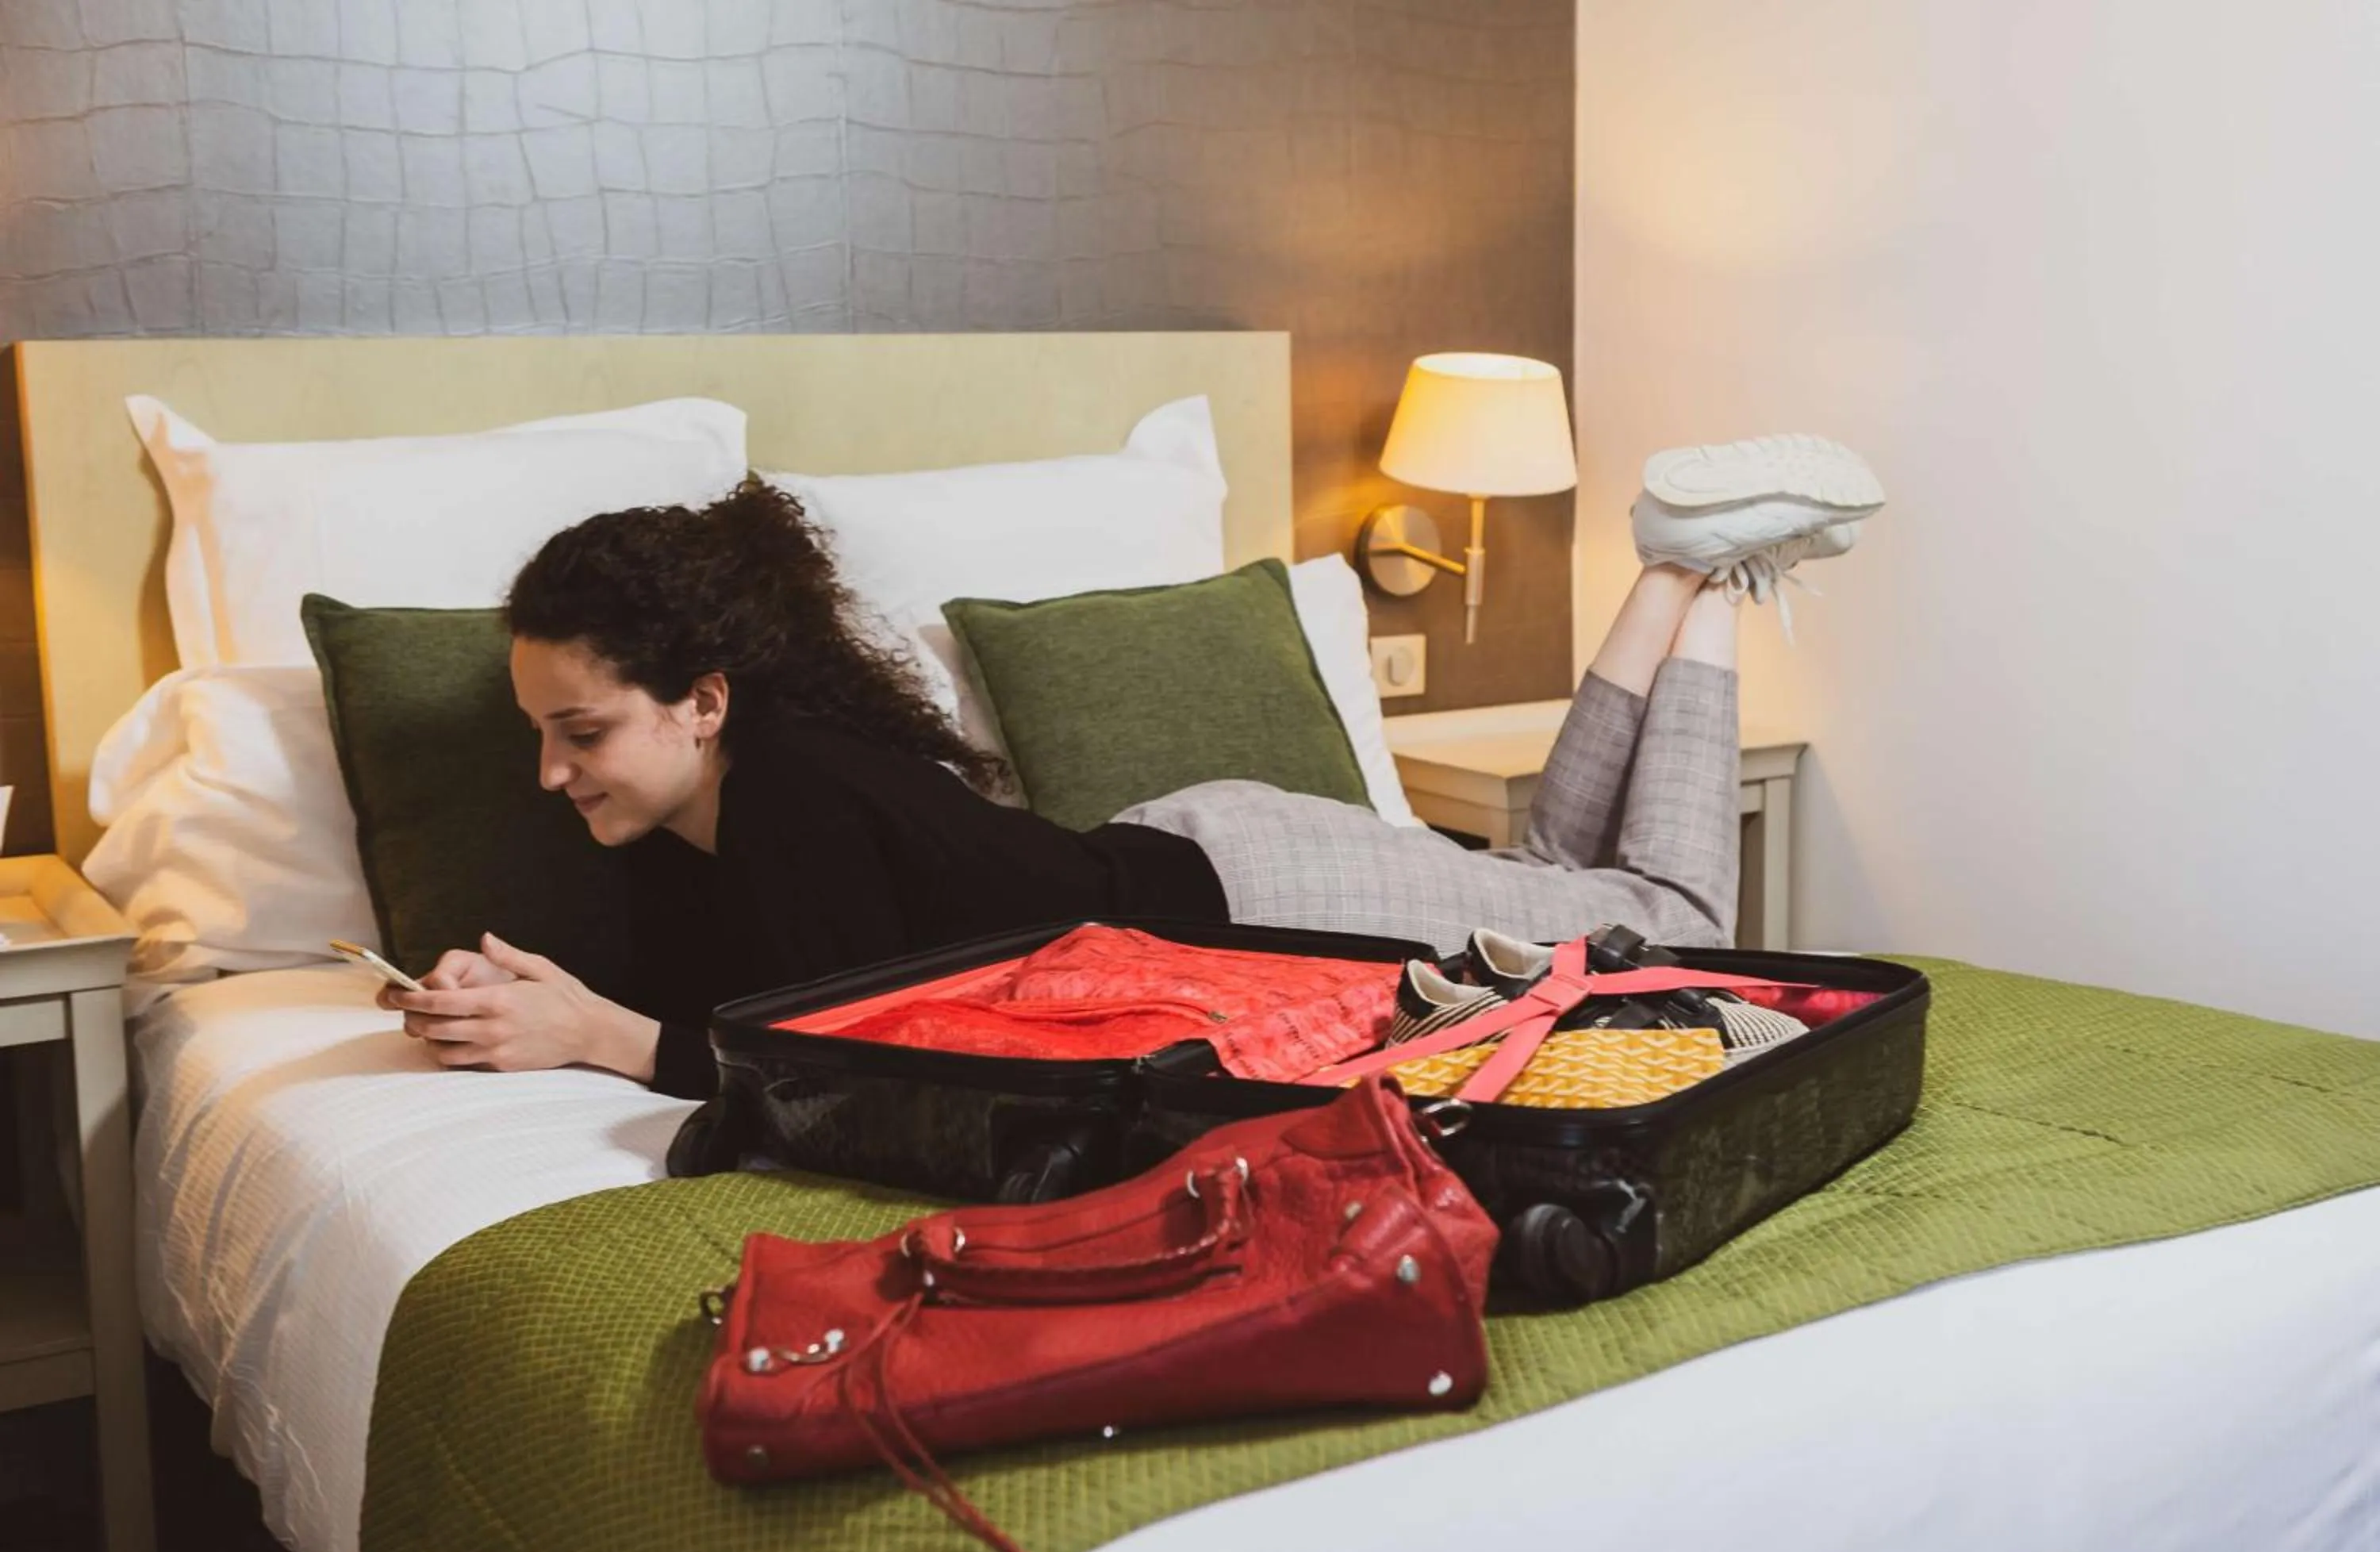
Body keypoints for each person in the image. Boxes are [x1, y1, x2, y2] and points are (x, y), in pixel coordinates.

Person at [382, 438, 1880, 1100]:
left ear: (701, 700)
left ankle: (1702, 576)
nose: (550, 775)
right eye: (541, 736)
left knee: (1674, 921)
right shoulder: (697, 818)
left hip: (1257, 898)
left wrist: (602, 1039)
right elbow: (743, 993)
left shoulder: (797, 791)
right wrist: (514, 991)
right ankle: (1675, 581)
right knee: (1553, 894)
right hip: (1198, 873)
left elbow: (845, 1064)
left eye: (580, 734)